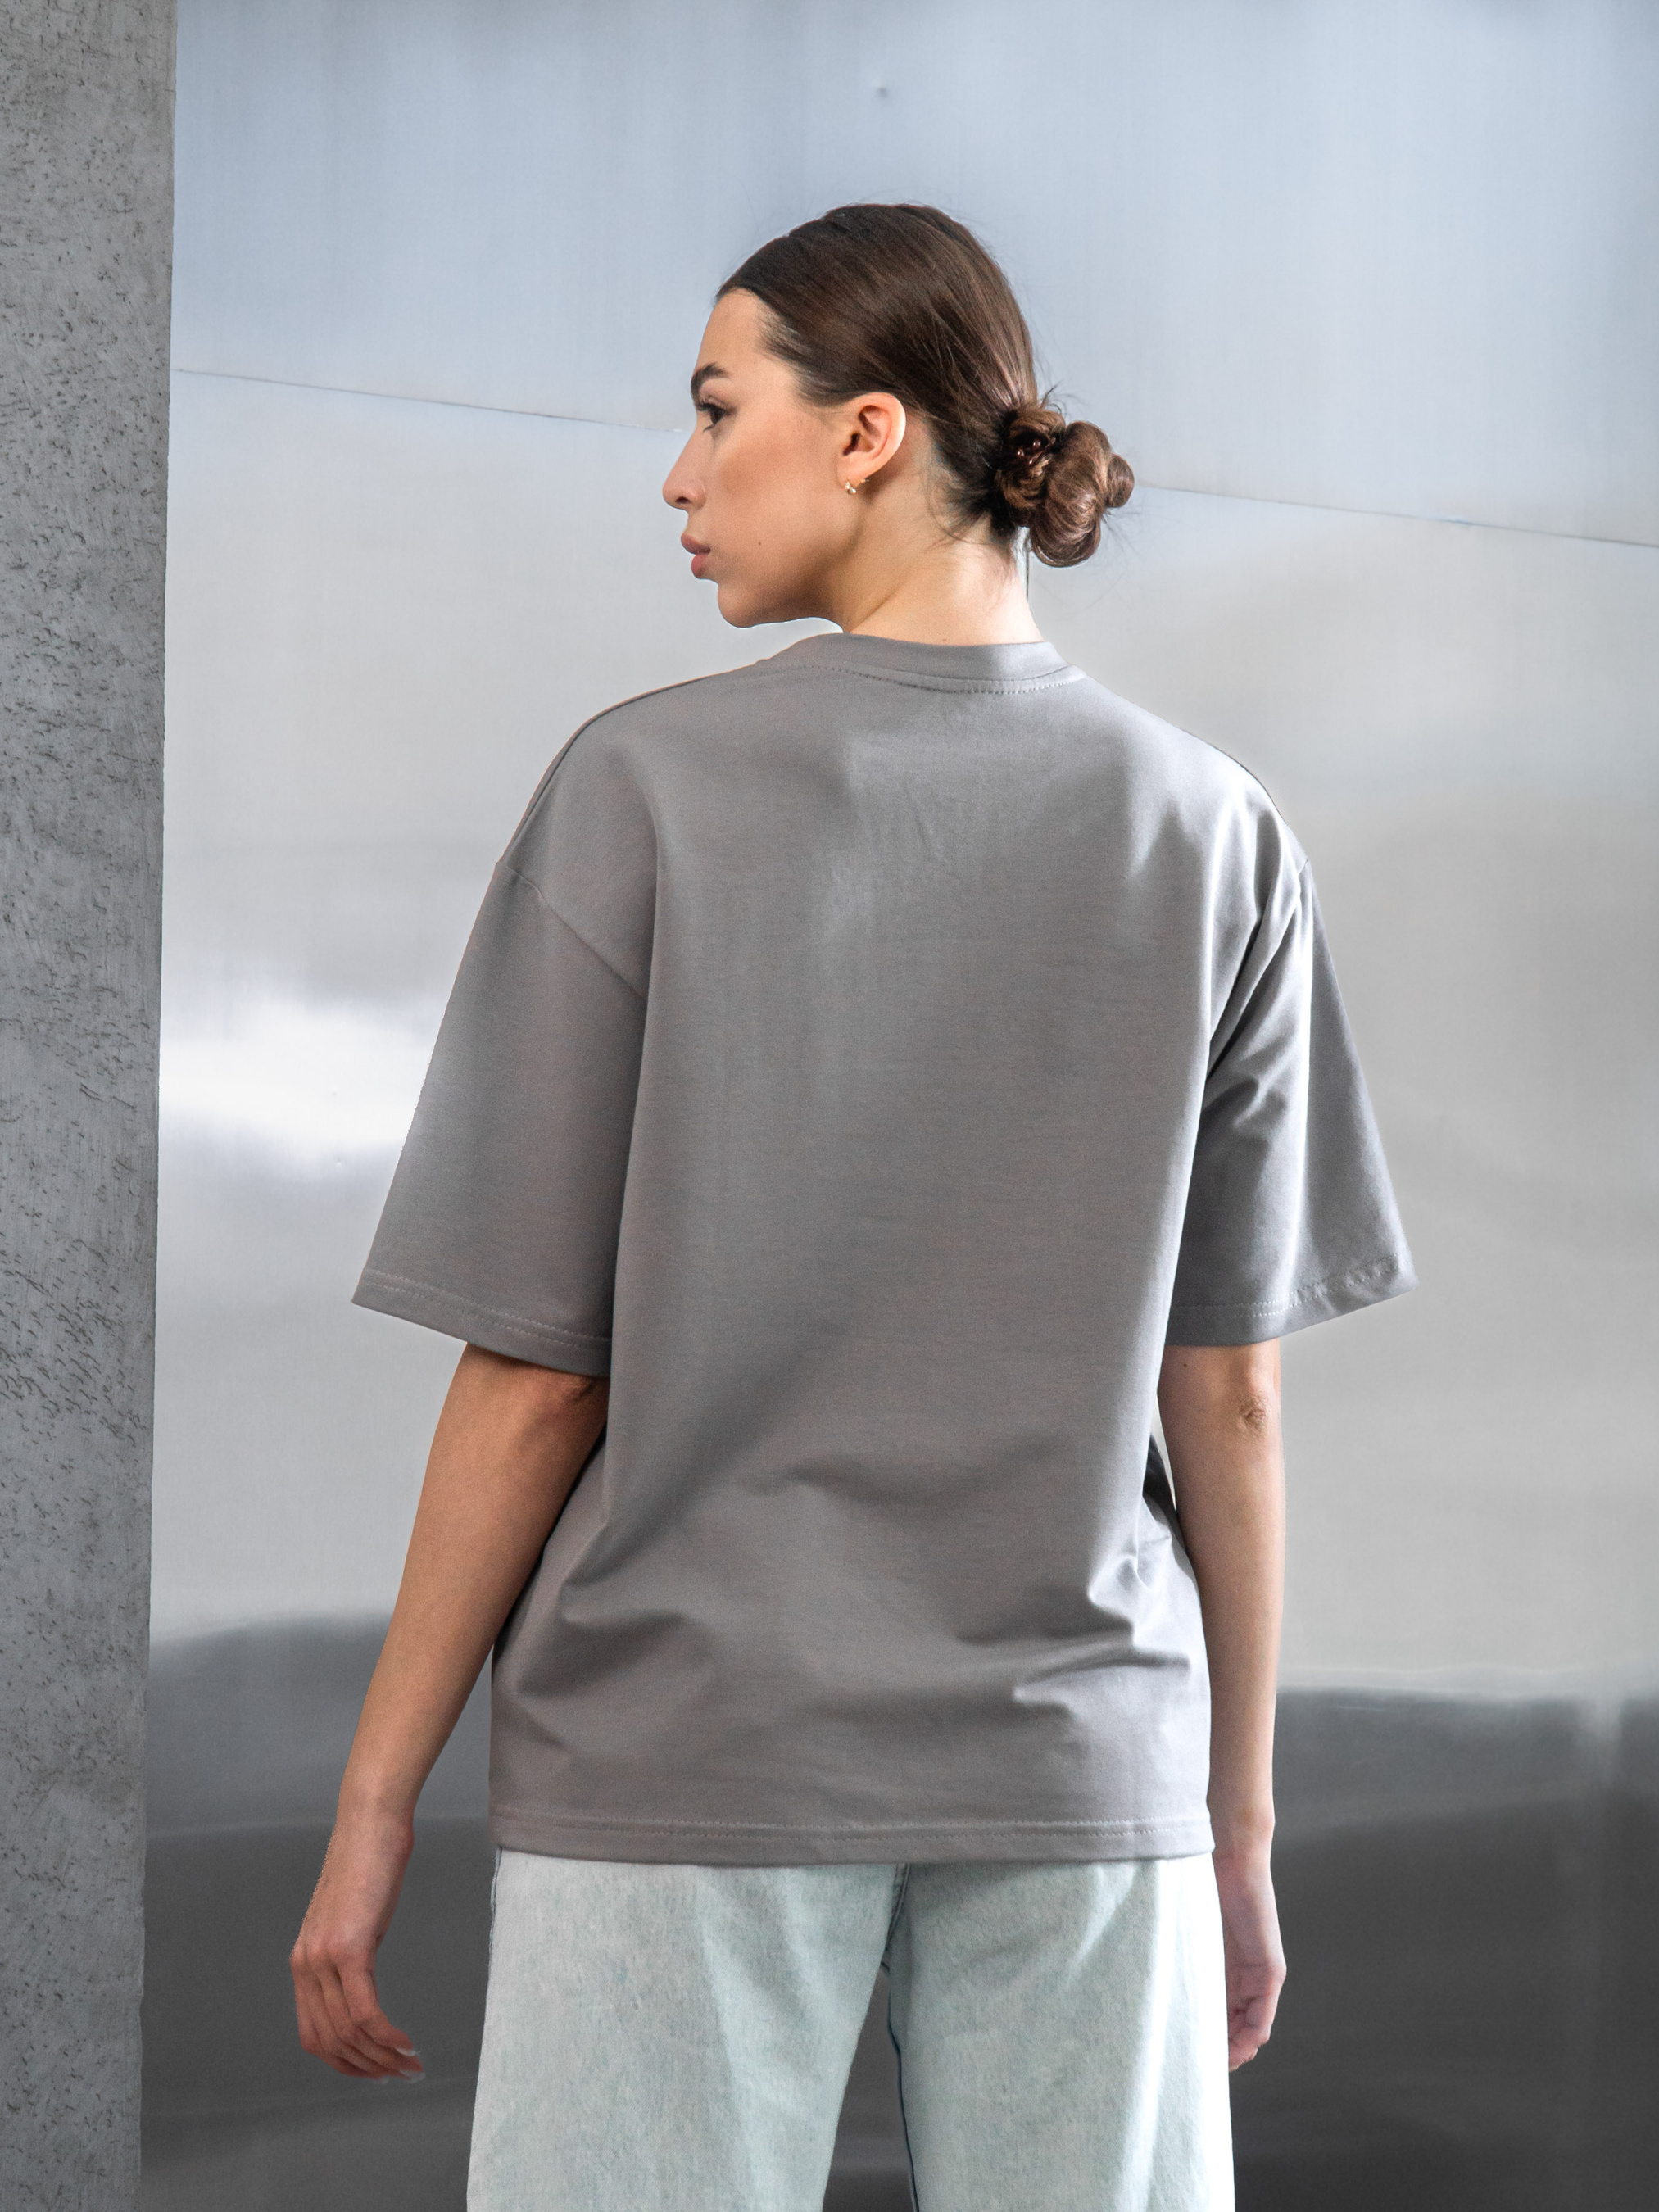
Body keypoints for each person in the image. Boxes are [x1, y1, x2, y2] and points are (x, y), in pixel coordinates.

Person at [290, 202, 1414, 2211]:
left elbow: (537, 1379)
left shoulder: (641, 792)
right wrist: (1230, 1824)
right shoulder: (1214, 832)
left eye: (717, 408)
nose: (680, 471)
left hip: (684, 1746)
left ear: (867, 430)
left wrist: (376, 1799)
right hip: (1082, 1766)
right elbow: (1225, 1394)